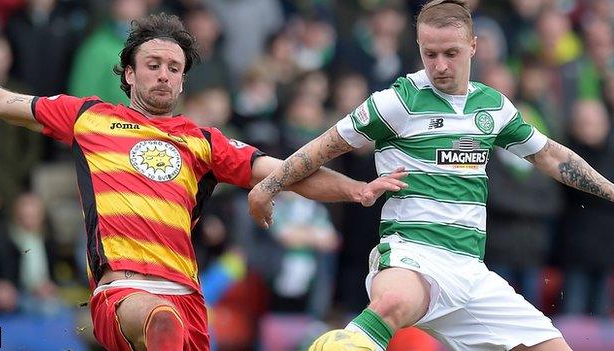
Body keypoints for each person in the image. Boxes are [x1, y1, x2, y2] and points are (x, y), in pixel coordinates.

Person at [0, 13, 407, 351]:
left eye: (174, 68)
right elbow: (2, 101)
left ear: (184, 79)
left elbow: (287, 172)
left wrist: (356, 189)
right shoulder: (89, 116)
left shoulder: (202, 141)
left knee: (171, 321)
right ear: (130, 74)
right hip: (124, 291)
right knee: (159, 321)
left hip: (188, 298)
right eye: (153, 66)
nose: (164, 75)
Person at [248, 1, 614, 350]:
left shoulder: (494, 107)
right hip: (412, 255)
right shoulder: (397, 101)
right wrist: (267, 186)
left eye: (450, 53)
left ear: (473, 46)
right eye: (430, 53)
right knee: (390, 303)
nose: (439, 65)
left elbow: (549, 155)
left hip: (471, 270)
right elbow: (322, 147)